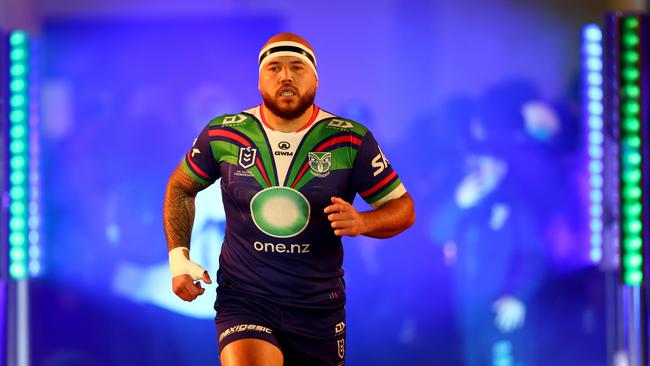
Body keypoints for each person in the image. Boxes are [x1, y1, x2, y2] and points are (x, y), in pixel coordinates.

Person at [163, 32, 415, 366]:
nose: (285, 76)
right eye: (274, 68)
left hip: (318, 305)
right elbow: (181, 187)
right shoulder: (224, 133)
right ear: (259, 80)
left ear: (315, 79)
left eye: (297, 67)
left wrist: (363, 222)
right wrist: (178, 259)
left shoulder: (350, 139)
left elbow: (403, 209)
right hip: (245, 298)